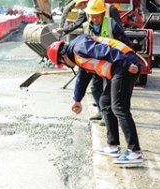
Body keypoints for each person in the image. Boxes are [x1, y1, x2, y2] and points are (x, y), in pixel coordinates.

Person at [47, 35, 144, 165]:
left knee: (119, 107)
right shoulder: (77, 54)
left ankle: (134, 151)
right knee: (105, 101)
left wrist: (127, 64)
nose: (65, 66)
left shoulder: (80, 47)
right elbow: (83, 76)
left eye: (62, 64)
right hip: (120, 68)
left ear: (62, 58)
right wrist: (77, 99)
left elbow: (105, 51)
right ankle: (112, 145)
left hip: (126, 66)